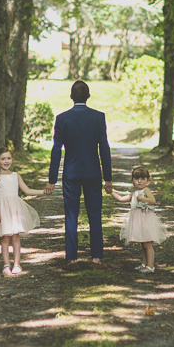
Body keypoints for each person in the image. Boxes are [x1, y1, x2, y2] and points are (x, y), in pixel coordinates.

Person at [44, 80, 113, 270]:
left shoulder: (62, 118)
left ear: (71, 97)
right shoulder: (98, 117)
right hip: (92, 172)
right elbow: (104, 148)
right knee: (95, 214)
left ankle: (72, 259)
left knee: (71, 215)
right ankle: (96, 259)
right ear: (88, 96)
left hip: (71, 173)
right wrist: (108, 177)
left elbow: (56, 150)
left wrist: (52, 179)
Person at [0, 148, 43, 275]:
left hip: (15, 210)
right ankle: (6, 265)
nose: (6, 161)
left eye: (9, 158)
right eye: (3, 159)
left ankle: (17, 264)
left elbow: (27, 190)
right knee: (5, 238)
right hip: (2, 210)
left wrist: (44, 191)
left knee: (15, 237)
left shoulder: (15, 176)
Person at [108, 166, 167, 273]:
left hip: (145, 220)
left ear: (148, 181)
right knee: (142, 243)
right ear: (133, 181)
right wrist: (111, 192)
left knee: (147, 244)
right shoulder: (134, 193)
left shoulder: (146, 190)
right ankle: (144, 264)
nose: (140, 181)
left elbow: (153, 201)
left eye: (143, 179)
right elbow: (121, 198)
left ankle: (150, 266)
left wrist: (142, 198)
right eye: (137, 179)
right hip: (137, 221)